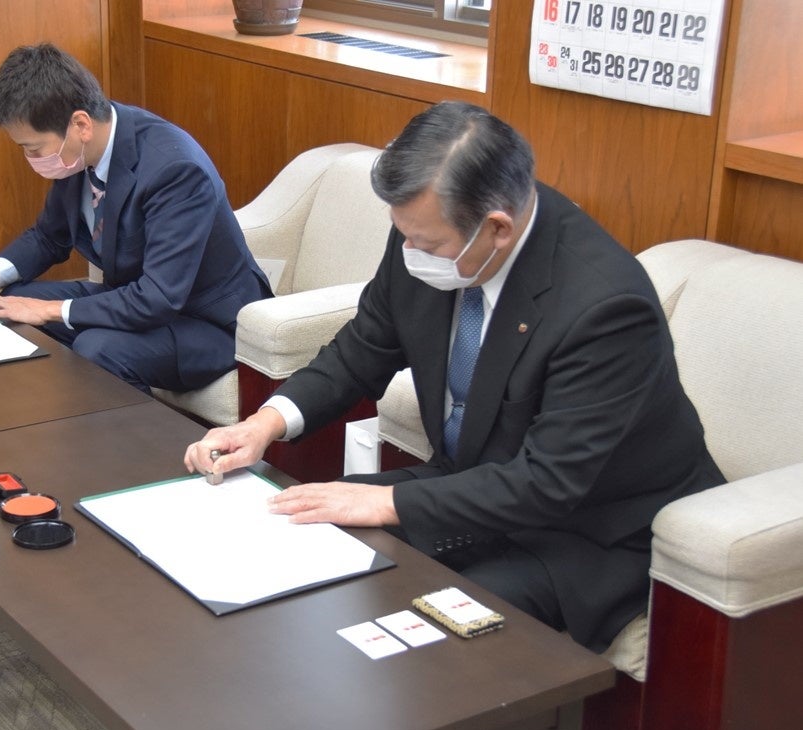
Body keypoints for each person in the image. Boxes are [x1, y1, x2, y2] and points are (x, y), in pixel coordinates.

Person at [185, 102, 724, 653]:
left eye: (428, 245)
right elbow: (363, 348)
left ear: (497, 228)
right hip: (469, 482)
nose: (410, 252)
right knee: (298, 532)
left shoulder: (605, 308)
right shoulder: (425, 232)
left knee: (423, 626)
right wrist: (265, 423)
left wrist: (383, 503)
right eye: (405, 235)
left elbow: (547, 483)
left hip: (583, 531)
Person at [0, 43, 272, 393]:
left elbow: (157, 297)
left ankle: (125, 429)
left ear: (80, 124)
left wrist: (48, 310)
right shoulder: (82, 151)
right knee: (7, 304)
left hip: (204, 321)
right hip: (132, 296)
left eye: (34, 148)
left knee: (97, 348)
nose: (32, 159)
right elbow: (48, 237)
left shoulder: (175, 170)